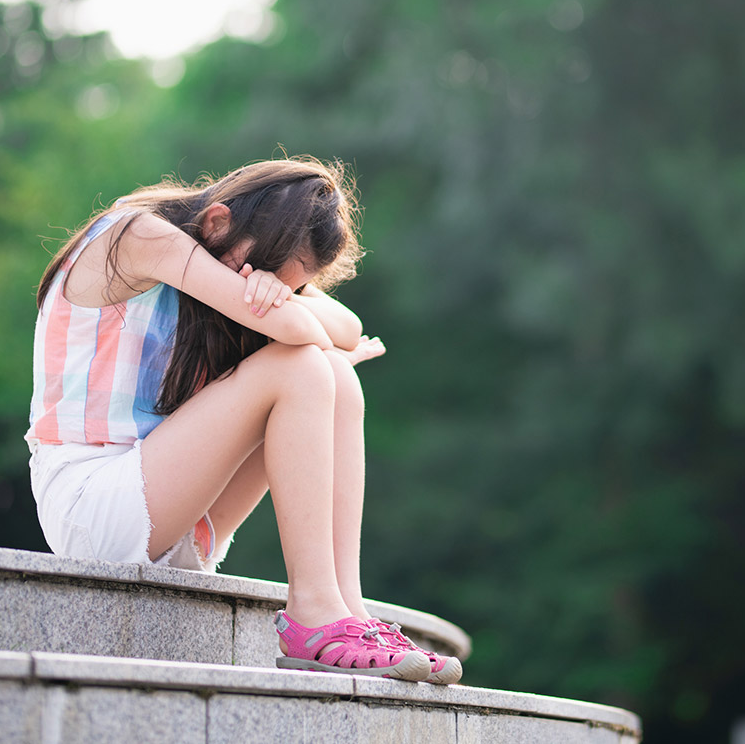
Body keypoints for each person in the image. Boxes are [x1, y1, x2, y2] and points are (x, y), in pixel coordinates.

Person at [25, 156, 461, 684]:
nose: (268, 286)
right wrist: (295, 319)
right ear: (217, 223)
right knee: (302, 367)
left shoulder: (236, 250)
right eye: (262, 274)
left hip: (173, 514)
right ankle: (312, 611)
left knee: (335, 377)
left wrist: (292, 308)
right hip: (91, 505)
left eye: (290, 284)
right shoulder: (138, 234)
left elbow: (348, 325)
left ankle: (347, 609)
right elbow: (308, 330)